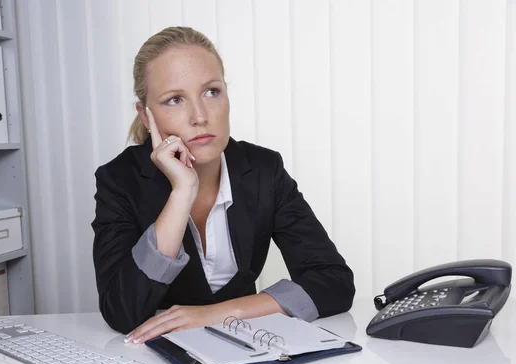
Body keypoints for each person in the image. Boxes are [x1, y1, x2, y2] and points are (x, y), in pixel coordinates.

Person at [91, 26, 355, 344]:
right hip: (157, 363)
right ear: (146, 117)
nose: (200, 116)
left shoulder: (263, 170)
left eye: (211, 92)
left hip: (247, 349)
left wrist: (222, 314)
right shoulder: (120, 180)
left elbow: (334, 282)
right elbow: (121, 312)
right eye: (174, 100)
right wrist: (182, 193)